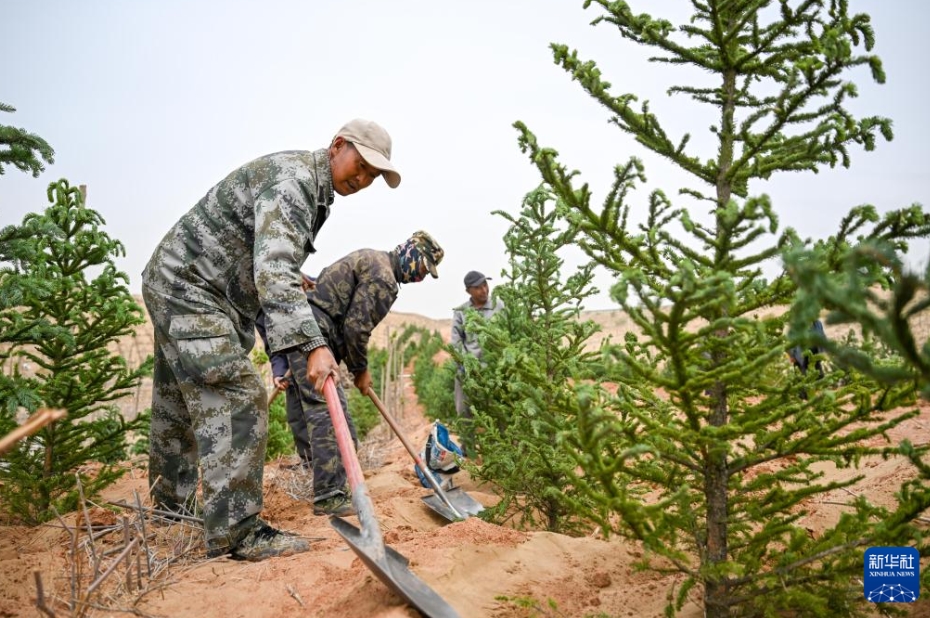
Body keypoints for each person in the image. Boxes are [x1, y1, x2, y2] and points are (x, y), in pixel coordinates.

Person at [141, 118, 401, 562]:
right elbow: (273, 270)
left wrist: (293, 276)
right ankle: (236, 532)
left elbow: (266, 253)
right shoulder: (295, 183)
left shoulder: (310, 187)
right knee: (240, 396)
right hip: (193, 289)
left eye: (373, 176)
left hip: (178, 280)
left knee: (177, 400)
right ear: (337, 145)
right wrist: (313, 345)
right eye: (360, 166)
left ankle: (170, 510)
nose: (362, 179)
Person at [258, 231, 444, 516]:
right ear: (411, 254)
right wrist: (361, 370)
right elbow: (356, 329)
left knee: (309, 407)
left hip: (302, 327)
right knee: (328, 413)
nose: (420, 277)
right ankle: (329, 494)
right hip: (314, 332)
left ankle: (317, 473)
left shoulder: (373, 258)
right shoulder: (384, 277)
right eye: (422, 268)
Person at [450, 270, 503, 448]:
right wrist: (466, 364)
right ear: (468, 291)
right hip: (469, 368)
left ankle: (501, 446)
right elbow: (456, 342)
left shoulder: (498, 306)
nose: (484, 290)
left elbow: (509, 331)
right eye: (478, 288)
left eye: (485, 285)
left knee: (498, 408)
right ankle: (468, 448)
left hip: (494, 368)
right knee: (463, 407)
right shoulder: (461, 312)